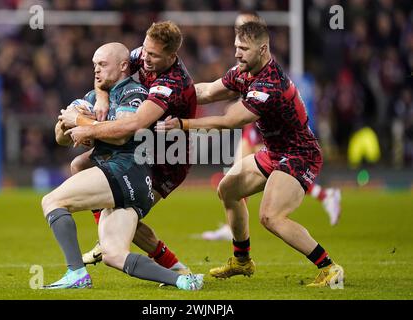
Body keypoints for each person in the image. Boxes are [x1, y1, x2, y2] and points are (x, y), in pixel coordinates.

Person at [157, 21, 344, 288]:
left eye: (243, 48)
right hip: (275, 151)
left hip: (299, 154)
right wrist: (165, 95)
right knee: (228, 189)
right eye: (236, 47)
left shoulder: (270, 84)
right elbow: (207, 91)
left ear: (263, 49)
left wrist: (183, 123)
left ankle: (330, 268)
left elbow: (228, 121)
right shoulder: (244, 72)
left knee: (271, 217)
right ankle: (242, 260)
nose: (237, 53)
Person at [42, 42, 203, 290]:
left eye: (103, 65)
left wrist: (83, 122)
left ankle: (76, 274)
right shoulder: (93, 97)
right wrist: (67, 122)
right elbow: (60, 138)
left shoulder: (134, 93)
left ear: (123, 66)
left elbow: (122, 136)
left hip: (126, 169)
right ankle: (182, 279)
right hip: (132, 183)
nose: (96, 70)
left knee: (52, 201)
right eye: (94, 65)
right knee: (113, 255)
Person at [202, 11, 341, 242]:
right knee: (237, 175)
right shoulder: (245, 62)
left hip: (263, 120)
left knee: (266, 174)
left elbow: (254, 100)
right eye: (237, 30)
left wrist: (186, 123)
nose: (239, 35)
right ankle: (237, 234)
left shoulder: (265, 67)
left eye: (244, 28)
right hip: (257, 119)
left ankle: (324, 197)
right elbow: (215, 91)